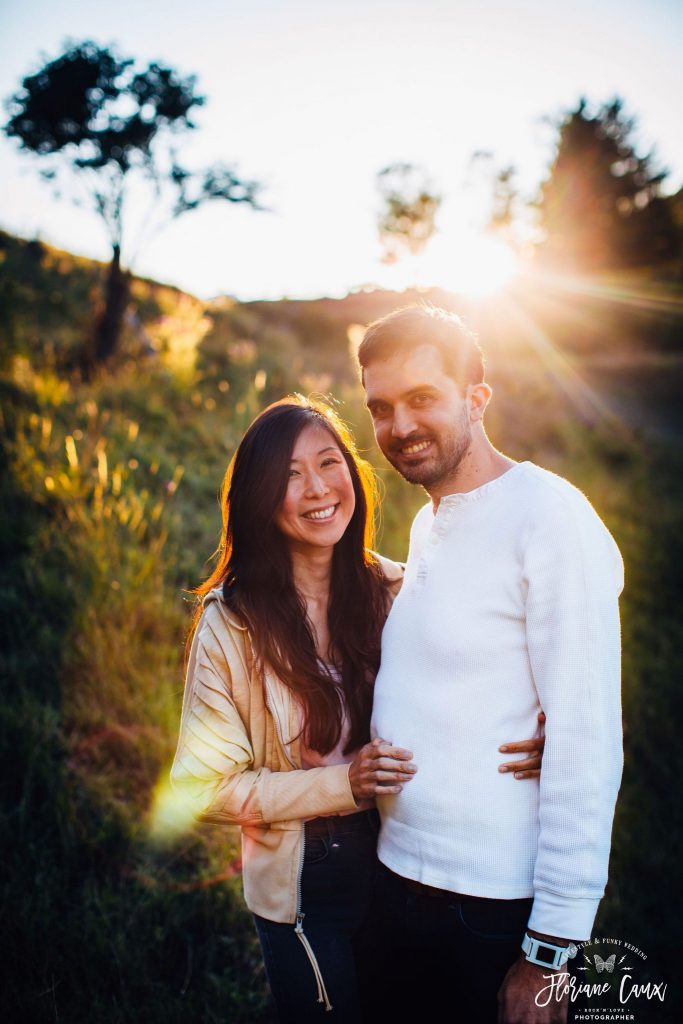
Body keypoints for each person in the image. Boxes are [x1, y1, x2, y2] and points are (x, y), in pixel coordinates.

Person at [170, 396, 546, 1023]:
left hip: (403, 857)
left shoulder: (400, 589)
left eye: (327, 462)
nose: (316, 488)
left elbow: (489, 668)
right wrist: (341, 785)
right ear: (260, 496)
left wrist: (544, 728)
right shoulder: (230, 625)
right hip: (304, 881)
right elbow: (202, 787)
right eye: (289, 475)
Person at [357, 305, 624, 1024]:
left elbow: (586, 740)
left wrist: (549, 951)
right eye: (379, 407)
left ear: (475, 399)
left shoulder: (549, 518)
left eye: (421, 399)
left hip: (486, 909)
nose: (398, 426)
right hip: (394, 880)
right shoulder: (429, 518)